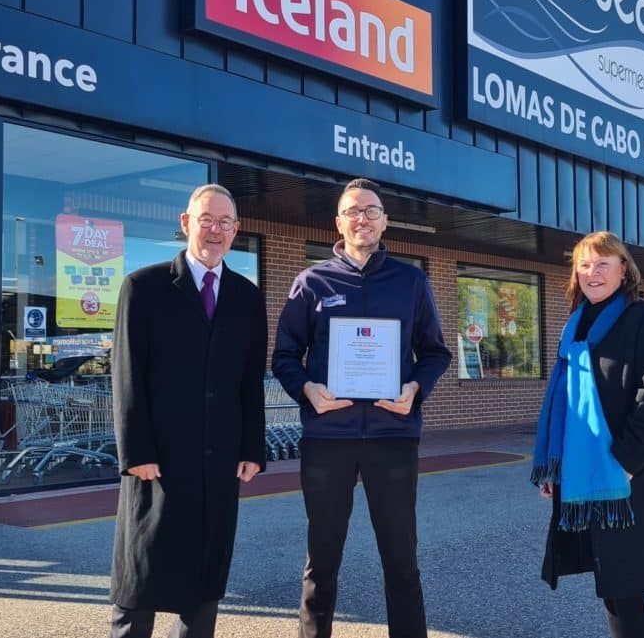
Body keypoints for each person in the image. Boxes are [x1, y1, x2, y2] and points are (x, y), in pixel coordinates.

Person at [272, 178, 452, 638]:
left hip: (393, 437)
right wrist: (307, 390)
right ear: (338, 221)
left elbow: (435, 352)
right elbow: (285, 356)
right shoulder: (311, 281)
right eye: (353, 211)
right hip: (328, 438)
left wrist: (415, 388)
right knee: (322, 558)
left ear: (385, 220)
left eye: (371, 211)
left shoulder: (410, 280)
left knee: (401, 558)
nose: (363, 219)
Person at [109, 183, 267, 638]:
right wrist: (135, 450)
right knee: (139, 583)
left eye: (224, 223)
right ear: (186, 224)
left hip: (218, 461)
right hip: (156, 461)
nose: (215, 231)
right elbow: (126, 376)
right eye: (206, 220)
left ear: (236, 230)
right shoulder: (144, 286)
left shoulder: (246, 296)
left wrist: (252, 446)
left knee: (202, 587)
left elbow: (249, 381)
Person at [532, 231, 644, 638]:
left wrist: (625, 463)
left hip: (629, 472)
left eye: (603, 263)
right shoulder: (575, 328)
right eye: (584, 265)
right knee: (610, 582)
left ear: (624, 270)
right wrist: (557, 469)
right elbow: (566, 407)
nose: (592, 273)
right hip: (584, 471)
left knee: (625, 582)